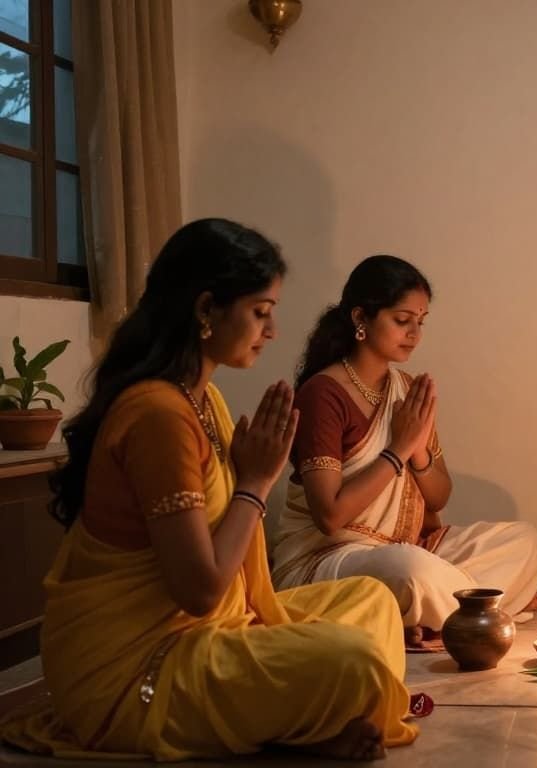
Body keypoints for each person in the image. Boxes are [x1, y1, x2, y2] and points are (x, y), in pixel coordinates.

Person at [0, 219, 416, 760]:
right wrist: (255, 483)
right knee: (353, 660)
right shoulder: (157, 417)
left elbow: (227, 591)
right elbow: (199, 592)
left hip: (211, 632)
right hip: (143, 667)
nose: (271, 332)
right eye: (260, 313)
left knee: (372, 601)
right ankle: (303, 722)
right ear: (205, 310)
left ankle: (304, 720)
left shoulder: (204, 401)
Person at [272, 255, 537, 642]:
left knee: (525, 542)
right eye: (402, 320)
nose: (415, 333)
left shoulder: (406, 389)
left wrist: (417, 452)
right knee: (410, 570)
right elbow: (330, 517)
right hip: (328, 559)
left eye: (421, 321)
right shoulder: (322, 395)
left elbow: (438, 496)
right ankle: (479, 609)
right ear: (360, 319)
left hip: (401, 548)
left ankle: (429, 615)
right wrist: (396, 451)